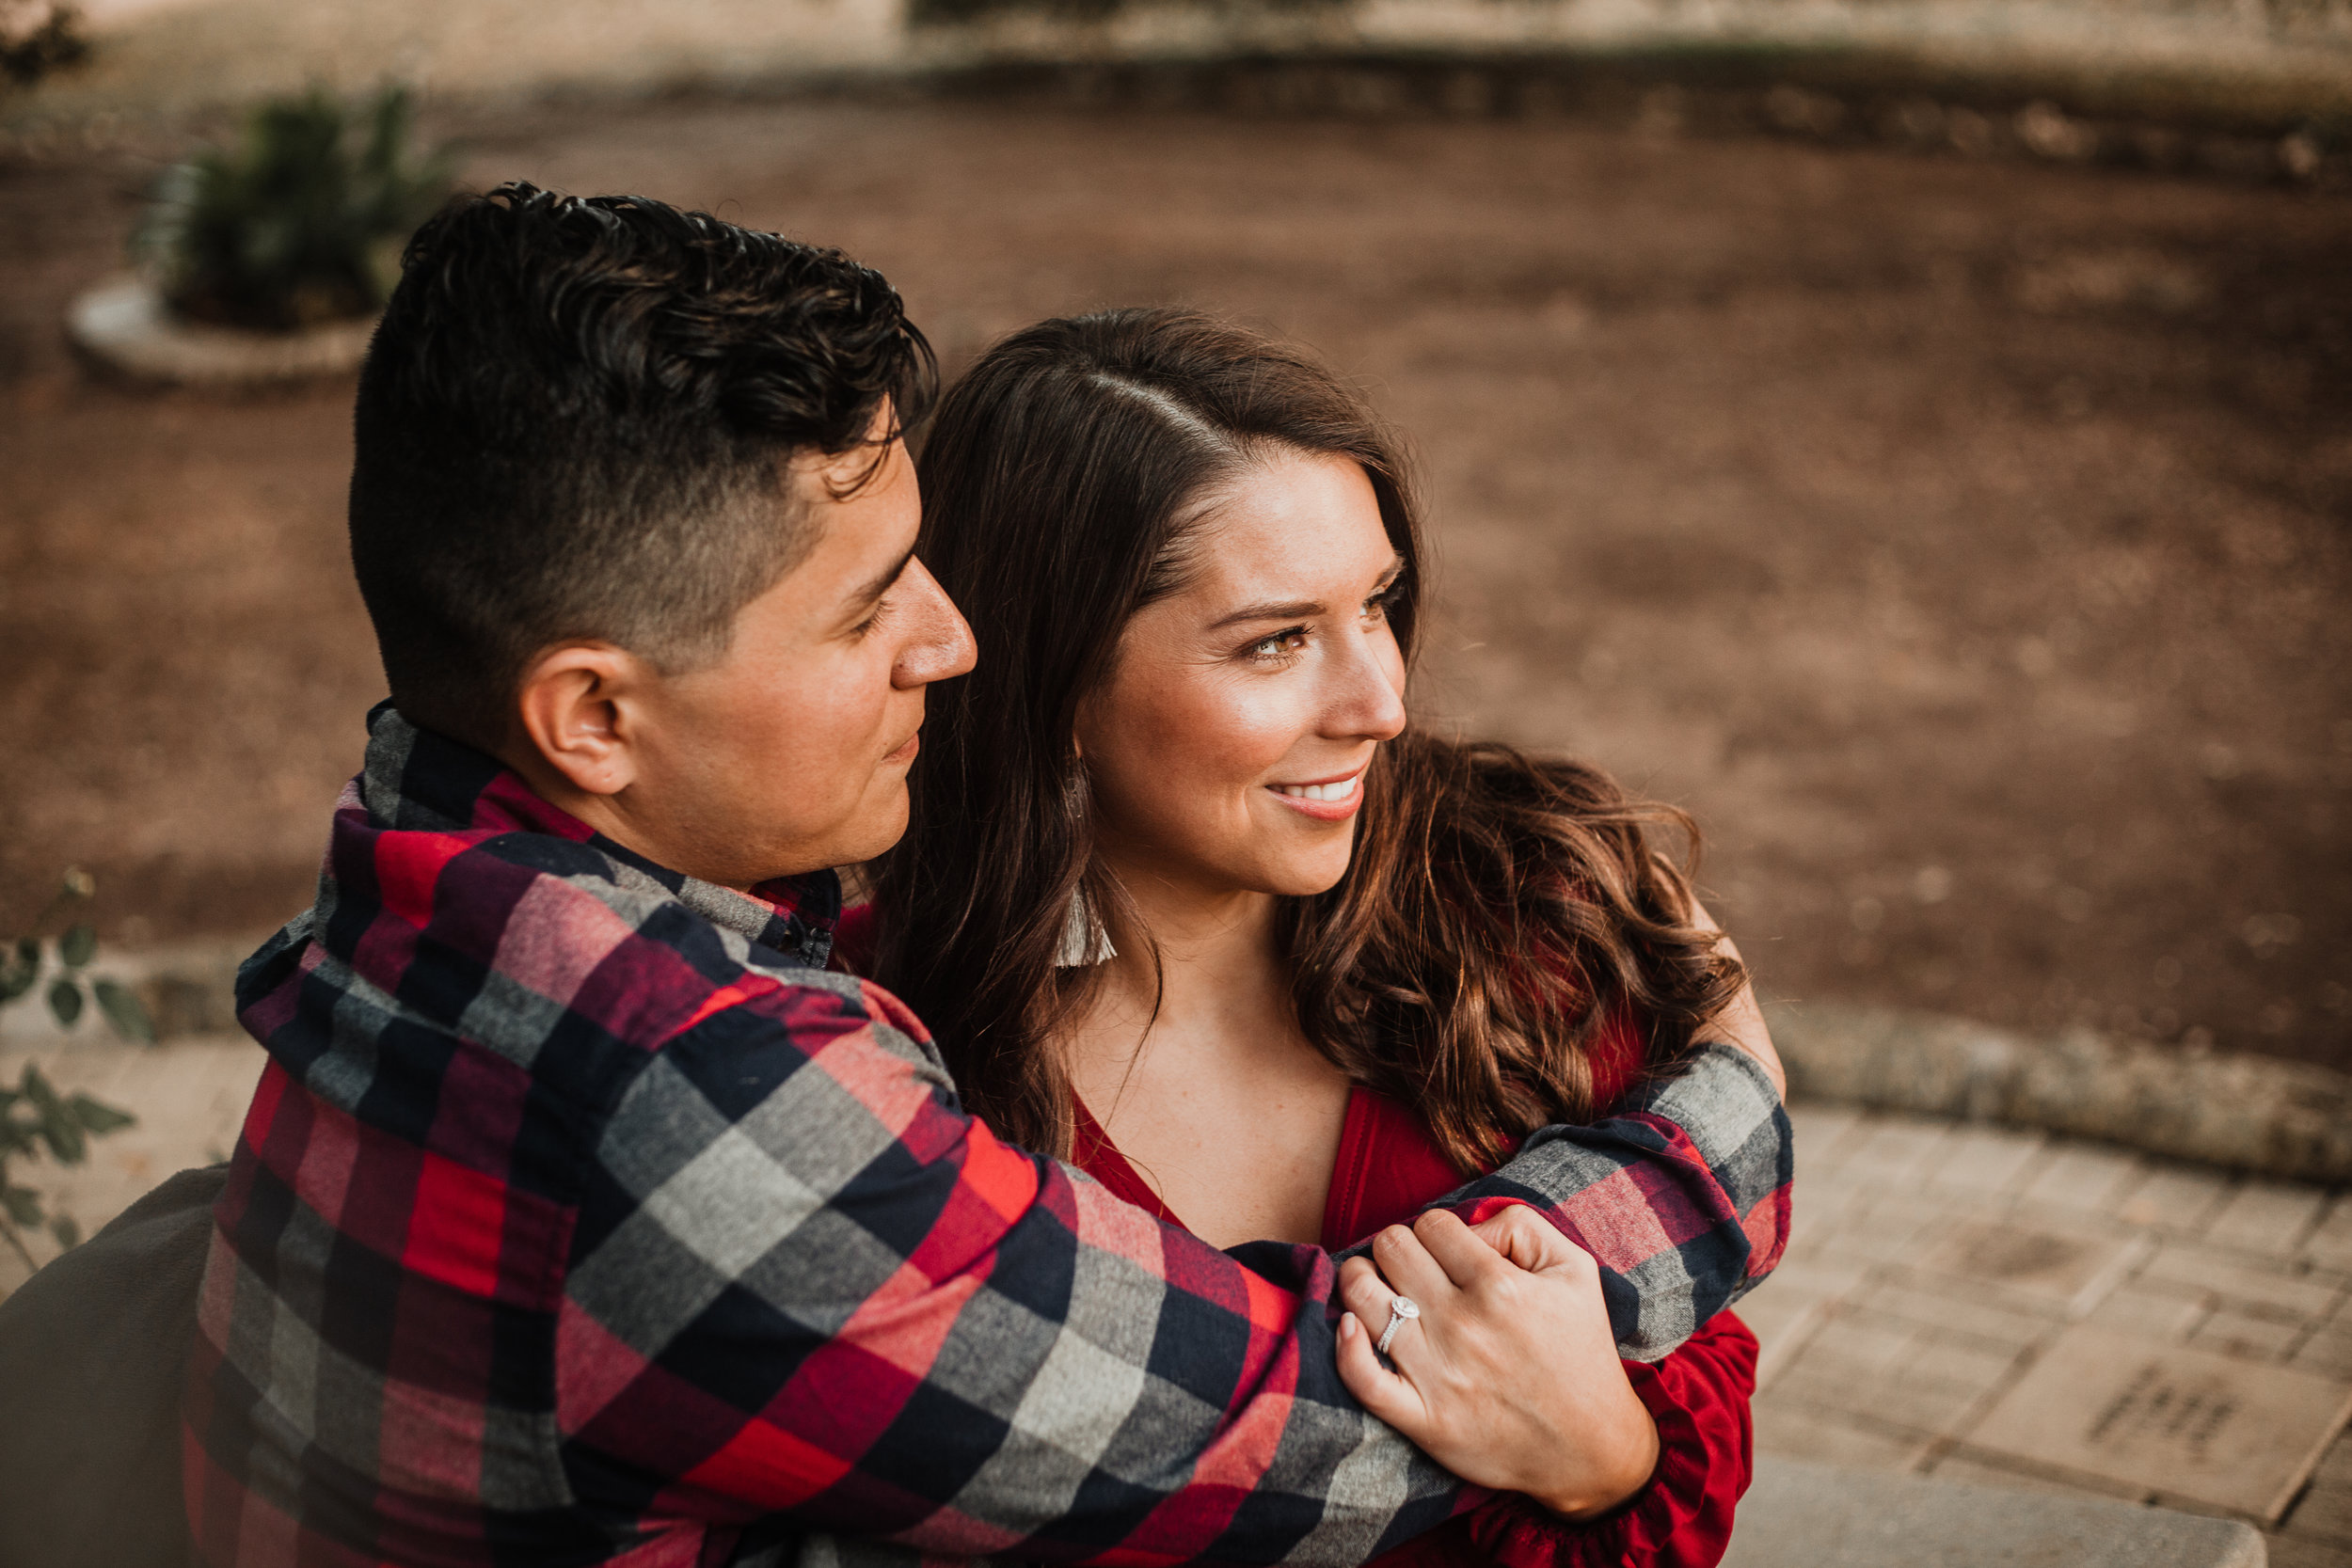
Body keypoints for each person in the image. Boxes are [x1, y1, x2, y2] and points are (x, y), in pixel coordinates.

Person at [180, 184, 1791, 1568]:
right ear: (592, 714)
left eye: (1374, 606)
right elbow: (1293, 1425)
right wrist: (1724, 1110)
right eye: (872, 607)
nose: (952, 645)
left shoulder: (425, 902)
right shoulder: (709, 1082)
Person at [849, 308, 1783, 1567]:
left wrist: (1602, 1459)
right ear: (1051, 683)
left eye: (1378, 605)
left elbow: (1686, 1451)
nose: (1382, 703)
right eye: (1277, 640)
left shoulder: (1517, 916)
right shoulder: (868, 1040)